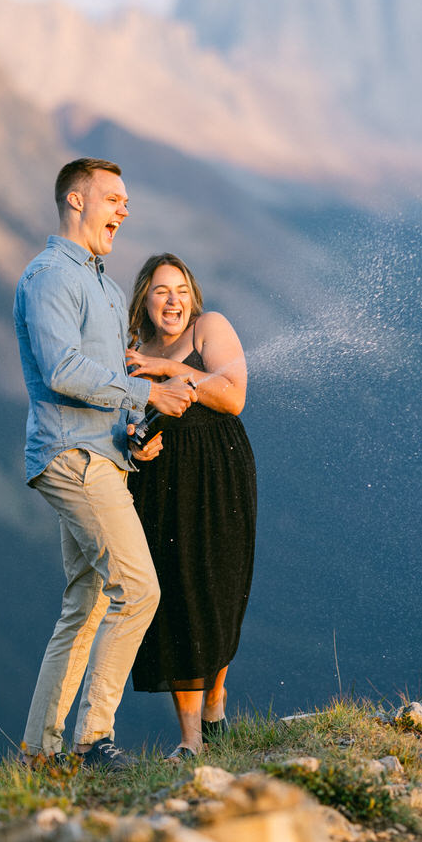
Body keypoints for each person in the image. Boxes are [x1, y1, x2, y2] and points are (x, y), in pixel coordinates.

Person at [14, 159, 197, 769]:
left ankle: (38, 755)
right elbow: (62, 370)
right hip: (71, 456)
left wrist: (133, 433)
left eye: (126, 200)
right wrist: (148, 395)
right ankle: (93, 742)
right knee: (140, 589)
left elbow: (107, 381)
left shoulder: (108, 288)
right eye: (113, 198)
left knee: (86, 604)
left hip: (104, 454)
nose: (124, 209)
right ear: (75, 200)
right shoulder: (48, 278)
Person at [124, 253, 257, 759]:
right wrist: (134, 443)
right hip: (158, 482)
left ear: (193, 296)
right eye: (160, 290)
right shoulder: (133, 350)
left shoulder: (208, 328)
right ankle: (191, 741)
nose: (172, 299)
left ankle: (216, 695)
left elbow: (233, 396)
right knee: (174, 596)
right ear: (145, 300)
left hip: (219, 473)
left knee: (218, 588)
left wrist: (168, 368)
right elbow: (126, 416)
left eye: (180, 289)